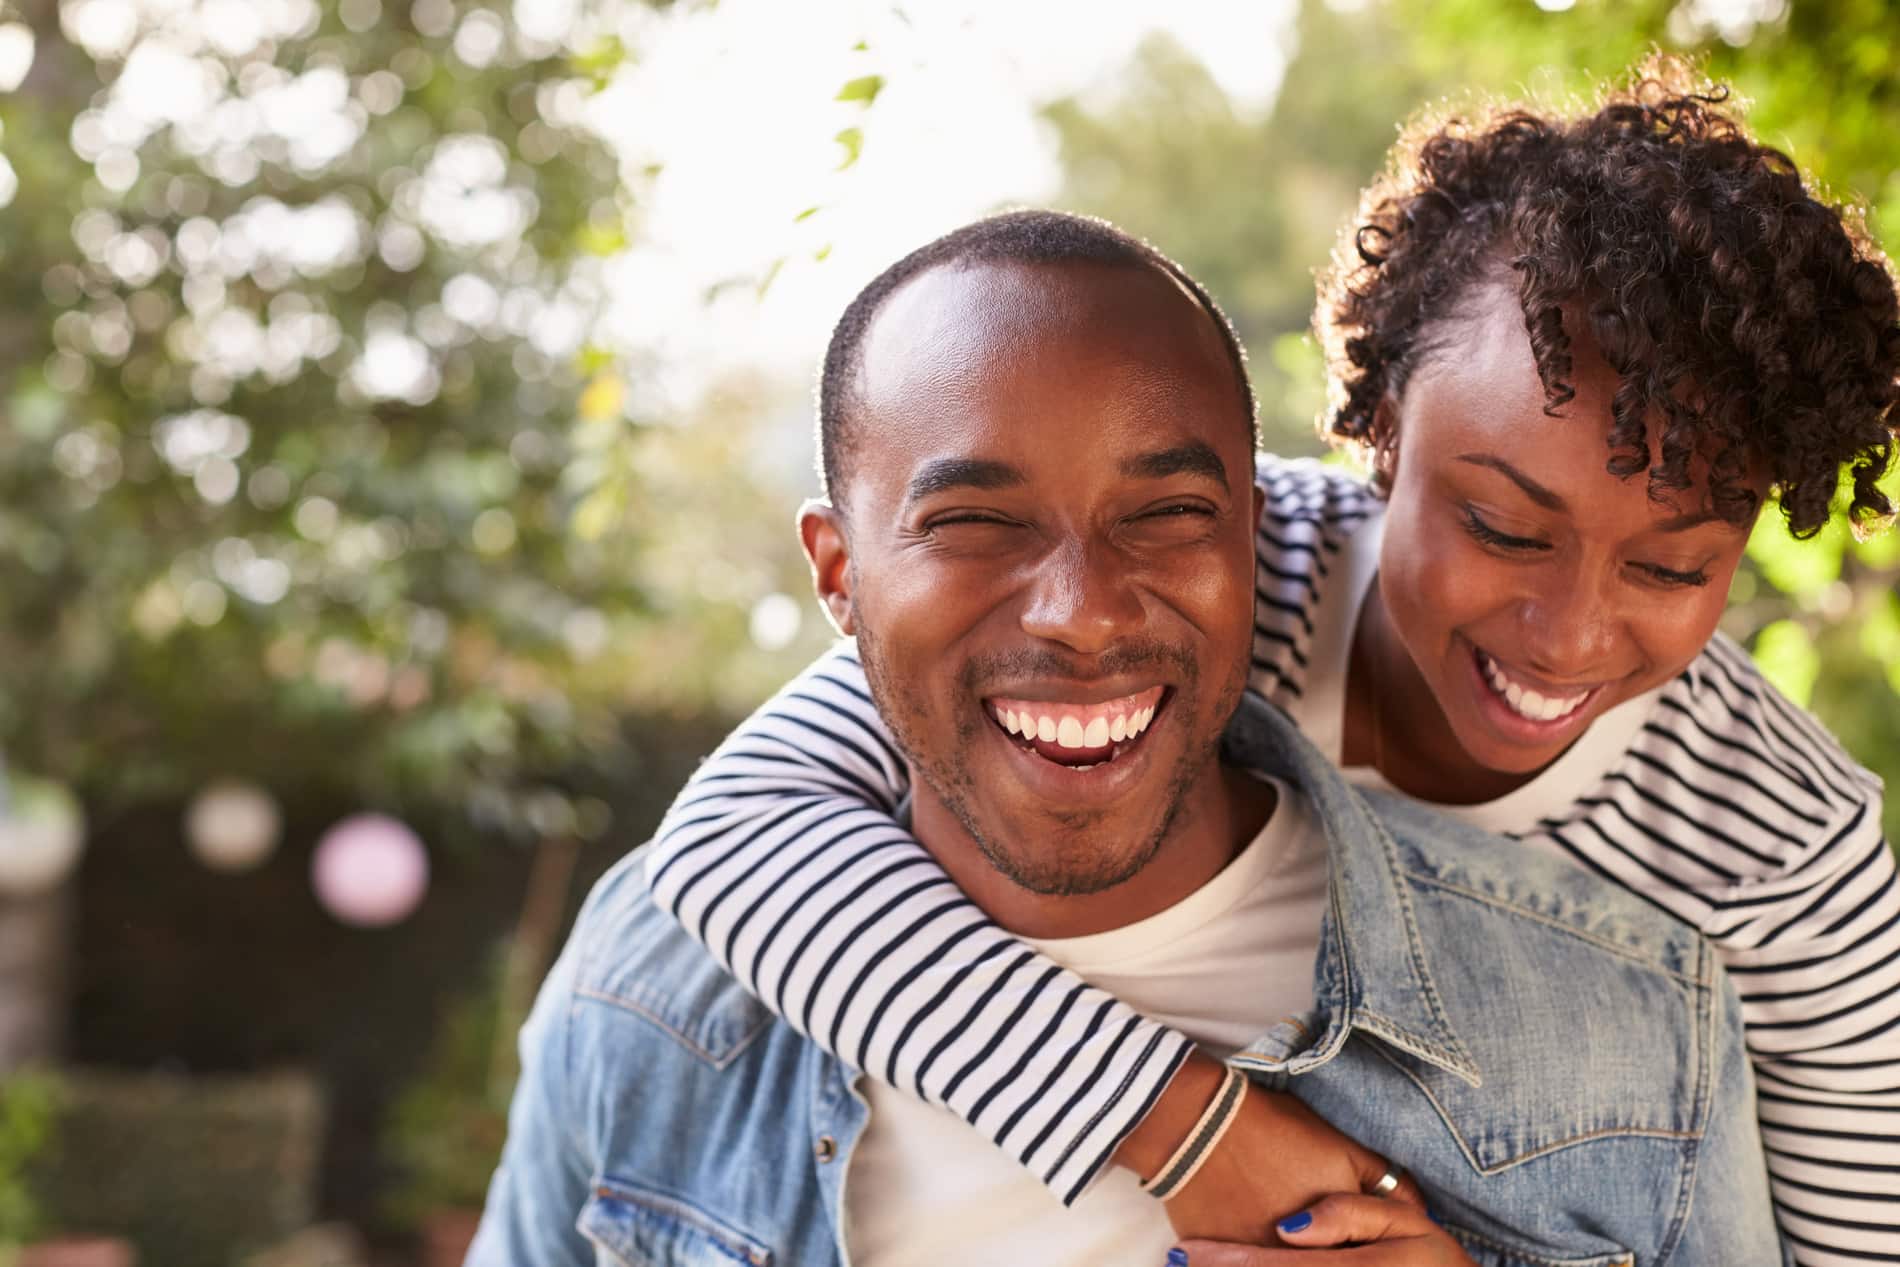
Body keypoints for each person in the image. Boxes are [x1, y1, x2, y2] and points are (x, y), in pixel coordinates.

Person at [641, 62, 1900, 1264]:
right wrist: (1194, 1133)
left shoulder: (1783, 848)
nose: (1568, 634)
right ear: (1386, 434)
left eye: (1672, 569)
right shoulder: (1227, 563)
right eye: (1503, 529)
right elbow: (738, 833)